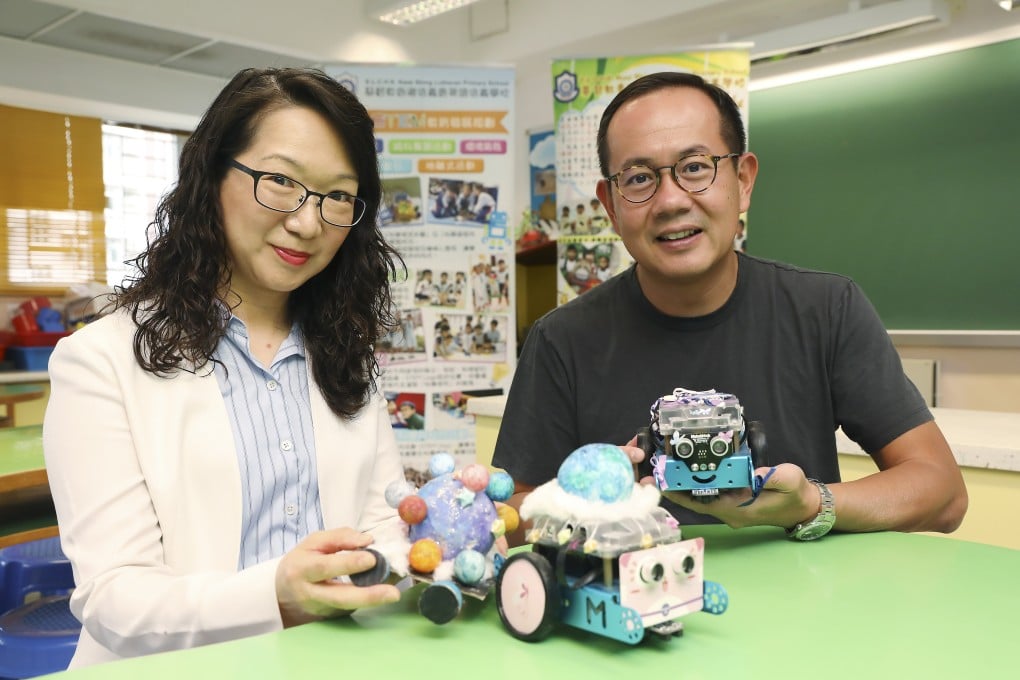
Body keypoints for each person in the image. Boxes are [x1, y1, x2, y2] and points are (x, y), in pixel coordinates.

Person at [492, 71, 967, 544]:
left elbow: (943, 494)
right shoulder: (562, 340)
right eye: (638, 178)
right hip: (629, 601)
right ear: (612, 207)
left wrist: (810, 504)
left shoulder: (824, 309)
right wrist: (590, 506)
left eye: (695, 167)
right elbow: (514, 516)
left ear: (742, 181)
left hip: (805, 607)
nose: (672, 200)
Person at [42, 67, 408, 668]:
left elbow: (378, 523)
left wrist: (428, 541)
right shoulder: (99, 361)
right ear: (212, 173)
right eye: (280, 182)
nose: (307, 222)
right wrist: (275, 597)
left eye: (338, 196)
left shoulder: (343, 352)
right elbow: (115, 600)